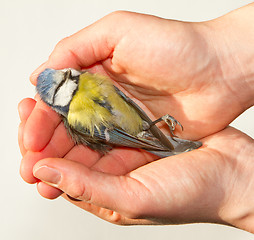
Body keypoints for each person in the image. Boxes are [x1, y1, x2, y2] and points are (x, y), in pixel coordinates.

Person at [18, 3, 254, 232]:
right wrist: (236, 184)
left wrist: (222, 57)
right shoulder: (77, 116)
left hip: (137, 118)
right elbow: (116, 134)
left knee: (152, 133)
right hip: (129, 131)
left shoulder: (87, 78)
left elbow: (127, 101)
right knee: (155, 140)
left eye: (64, 74)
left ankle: (169, 142)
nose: (68, 77)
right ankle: (171, 146)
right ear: (58, 101)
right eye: (62, 85)